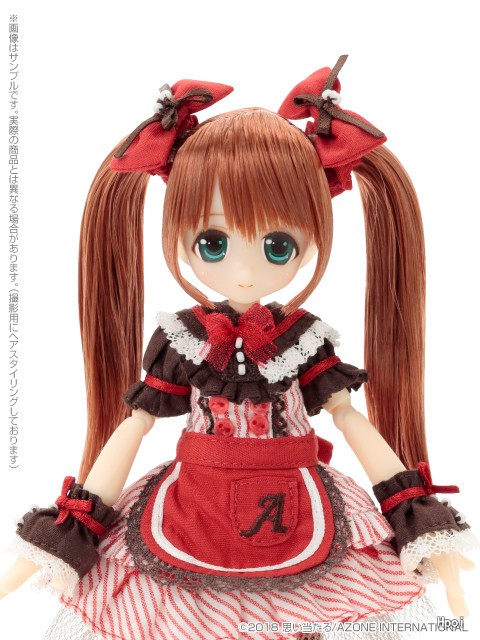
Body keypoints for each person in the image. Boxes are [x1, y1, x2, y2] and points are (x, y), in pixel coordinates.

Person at [0, 56, 476, 640]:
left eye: (277, 246)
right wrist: (68, 532)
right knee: (178, 611)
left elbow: (351, 419)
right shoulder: (184, 338)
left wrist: (417, 520)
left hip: (296, 497)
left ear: (312, 239)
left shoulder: (304, 339)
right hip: (194, 504)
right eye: (213, 242)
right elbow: (133, 427)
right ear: (179, 236)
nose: (245, 271)